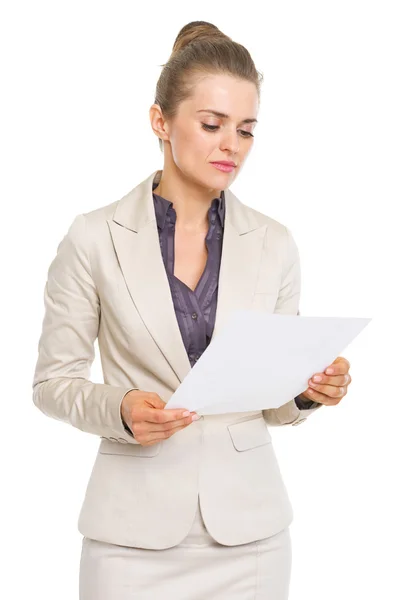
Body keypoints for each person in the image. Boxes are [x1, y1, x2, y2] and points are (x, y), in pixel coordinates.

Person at [32, 20, 352, 600]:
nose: (231, 145)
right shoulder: (93, 237)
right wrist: (122, 408)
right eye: (212, 124)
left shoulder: (275, 243)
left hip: (250, 539)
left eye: (247, 130)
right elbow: (53, 383)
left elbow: (271, 403)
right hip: (129, 537)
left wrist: (307, 391)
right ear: (160, 121)